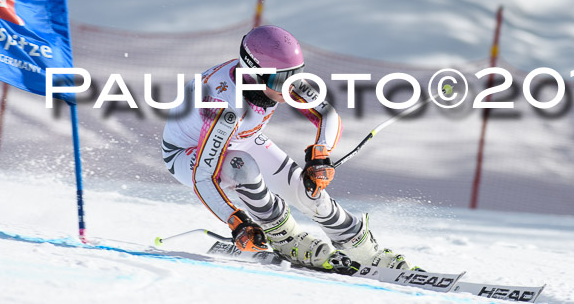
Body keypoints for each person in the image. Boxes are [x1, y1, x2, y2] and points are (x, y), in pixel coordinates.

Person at [161, 25, 411, 272]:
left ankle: (366, 251)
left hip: (241, 138)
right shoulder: (224, 106)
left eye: (296, 74)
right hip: (188, 153)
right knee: (242, 167)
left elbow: (327, 114)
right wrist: (236, 221)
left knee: (309, 192)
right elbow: (203, 177)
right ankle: (285, 238)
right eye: (281, 79)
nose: (290, 87)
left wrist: (320, 155)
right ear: (254, 73)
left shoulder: (278, 79)